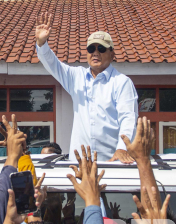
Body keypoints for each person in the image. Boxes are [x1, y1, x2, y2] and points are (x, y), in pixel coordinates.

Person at [34, 10, 138, 163]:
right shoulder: (76, 77)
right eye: (91, 49)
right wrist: (42, 44)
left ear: (112, 54)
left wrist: (122, 148)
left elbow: (128, 119)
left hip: (112, 163)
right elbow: (52, 64)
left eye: (101, 49)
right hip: (80, 165)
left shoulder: (122, 82)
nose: (95, 53)